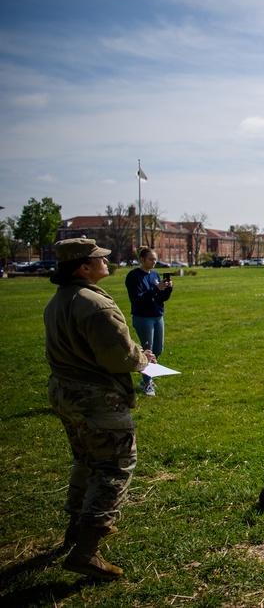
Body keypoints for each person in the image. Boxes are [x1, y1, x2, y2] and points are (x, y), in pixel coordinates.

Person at [44, 238, 156, 580]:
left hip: (65, 393)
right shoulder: (94, 304)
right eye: (97, 259)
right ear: (83, 268)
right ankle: (86, 550)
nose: (105, 262)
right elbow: (117, 356)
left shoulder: (59, 300)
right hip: (96, 398)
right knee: (115, 464)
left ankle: (76, 529)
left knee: (86, 460)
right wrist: (143, 359)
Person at [125, 246, 173, 396]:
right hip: (143, 318)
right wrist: (156, 288)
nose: (154, 262)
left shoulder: (155, 274)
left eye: (155, 259)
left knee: (158, 349)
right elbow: (138, 299)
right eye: (151, 259)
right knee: (148, 352)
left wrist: (167, 289)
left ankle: (146, 378)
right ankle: (147, 383)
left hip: (157, 316)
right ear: (142, 260)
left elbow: (160, 298)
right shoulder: (134, 276)